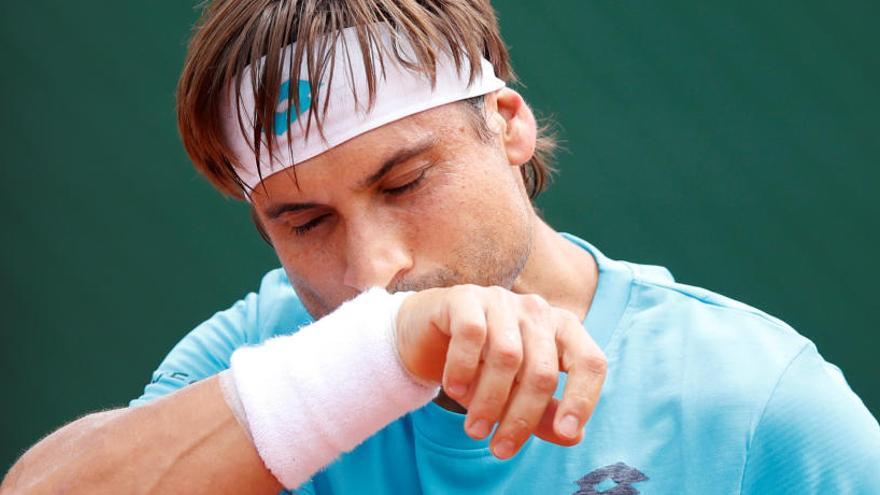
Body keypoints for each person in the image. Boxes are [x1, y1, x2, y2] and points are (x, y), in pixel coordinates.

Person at [3, 0, 879, 494]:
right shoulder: (253, 355)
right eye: (305, 222)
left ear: (508, 123)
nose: (376, 266)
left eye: (404, 181)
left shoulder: (754, 405)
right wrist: (382, 354)